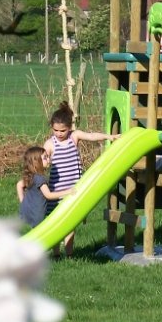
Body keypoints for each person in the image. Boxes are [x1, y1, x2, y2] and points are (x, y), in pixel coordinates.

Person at [43, 101, 120, 257]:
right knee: (56, 223)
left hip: (74, 190)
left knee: (70, 225)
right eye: (55, 130)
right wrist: (45, 163)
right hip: (57, 192)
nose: (59, 133)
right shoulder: (50, 144)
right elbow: (43, 159)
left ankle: (69, 254)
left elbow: (92, 136)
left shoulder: (74, 136)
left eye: (62, 130)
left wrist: (110, 137)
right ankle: (56, 254)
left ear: (70, 127)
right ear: (51, 127)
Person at [16, 146, 72, 232]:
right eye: (45, 158)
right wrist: (67, 192)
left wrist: (23, 202)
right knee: (40, 234)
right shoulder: (40, 179)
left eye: (48, 156)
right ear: (36, 163)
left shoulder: (31, 175)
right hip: (37, 214)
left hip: (25, 211)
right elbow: (48, 195)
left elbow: (19, 185)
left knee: (29, 233)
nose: (49, 159)